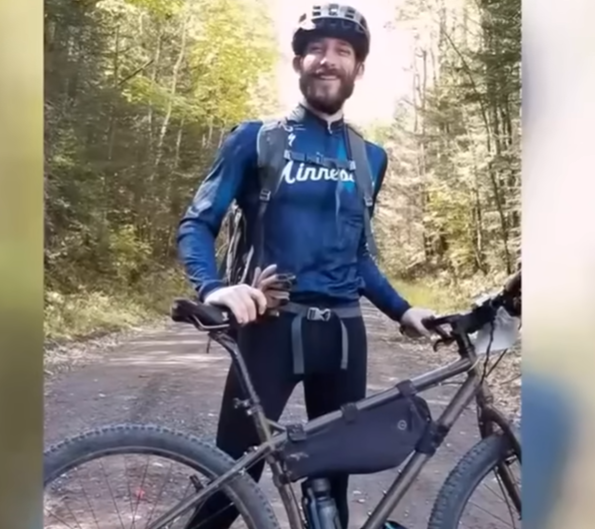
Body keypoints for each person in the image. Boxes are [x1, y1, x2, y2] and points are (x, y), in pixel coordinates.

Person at [174, 3, 437, 528]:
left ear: (359, 68)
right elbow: (197, 224)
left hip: (343, 336)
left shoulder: (371, 157)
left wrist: (403, 310)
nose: (328, 59)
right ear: (298, 62)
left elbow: (358, 255)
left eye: (343, 51)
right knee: (232, 482)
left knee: (332, 488)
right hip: (270, 330)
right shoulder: (255, 139)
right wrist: (214, 288)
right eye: (316, 48)